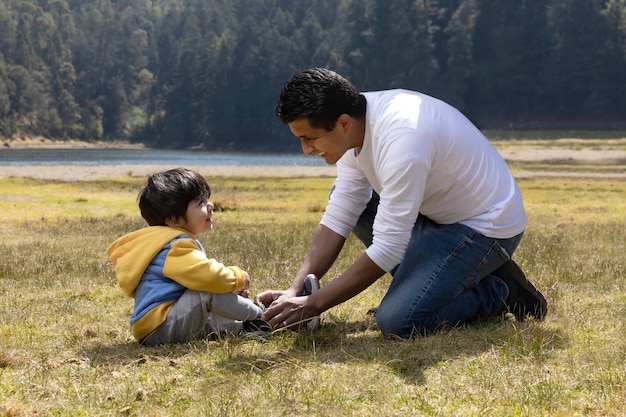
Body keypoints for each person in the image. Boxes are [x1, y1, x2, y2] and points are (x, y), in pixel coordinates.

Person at [256, 68, 547, 338]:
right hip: (435, 215)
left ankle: (499, 290)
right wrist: (295, 289)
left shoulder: (403, 138)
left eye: (311, 139)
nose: (306, 150)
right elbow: (341, 212)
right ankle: (441, 279)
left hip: (484, 226)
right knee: (347, 197)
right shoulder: (353, 129)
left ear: (343, 122)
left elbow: (388, 248)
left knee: (398, 321)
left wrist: (313, 304)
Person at [107, 168, 268, 345]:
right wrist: (237, 278)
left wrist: (227, 291)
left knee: (214, 308)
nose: (210, 206)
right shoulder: (174, 245)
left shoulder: (164, 242)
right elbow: (208, 277)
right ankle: (261, 318)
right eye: (200, 203)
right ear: (174, 220)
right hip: (161, 326)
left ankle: (245, 327)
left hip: (159, 325)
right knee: (206, 290)